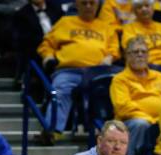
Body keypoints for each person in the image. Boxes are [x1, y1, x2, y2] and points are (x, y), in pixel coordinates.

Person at [37, 0, 119, 140]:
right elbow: (46, 44)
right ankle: (53, 131)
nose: (88, 6)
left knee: (114, 90)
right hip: (69, 70)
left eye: (91, 3)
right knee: (60, 90)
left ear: (97, 6)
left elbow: (114, 49)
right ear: (77, 5)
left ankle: (110, 134)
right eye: (84, 3)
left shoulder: (106, 27)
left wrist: (109, 58)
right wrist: (48, 57)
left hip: (97, 72)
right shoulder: (65, 22)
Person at [110, 36, 161, 155]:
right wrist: (151, 119)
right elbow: (123, 107)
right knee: (140, 124)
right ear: (127, 56)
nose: (140, 55)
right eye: (135, 52)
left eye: (143, 52)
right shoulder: (120, 79)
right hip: (135, 123)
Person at [121, 0, 161, 66]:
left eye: (147, 6)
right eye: (139, 7)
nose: (144, 9)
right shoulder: (129, 28)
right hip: (145, 66)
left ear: (152, 8)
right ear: (135, 12)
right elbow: (132, 51)